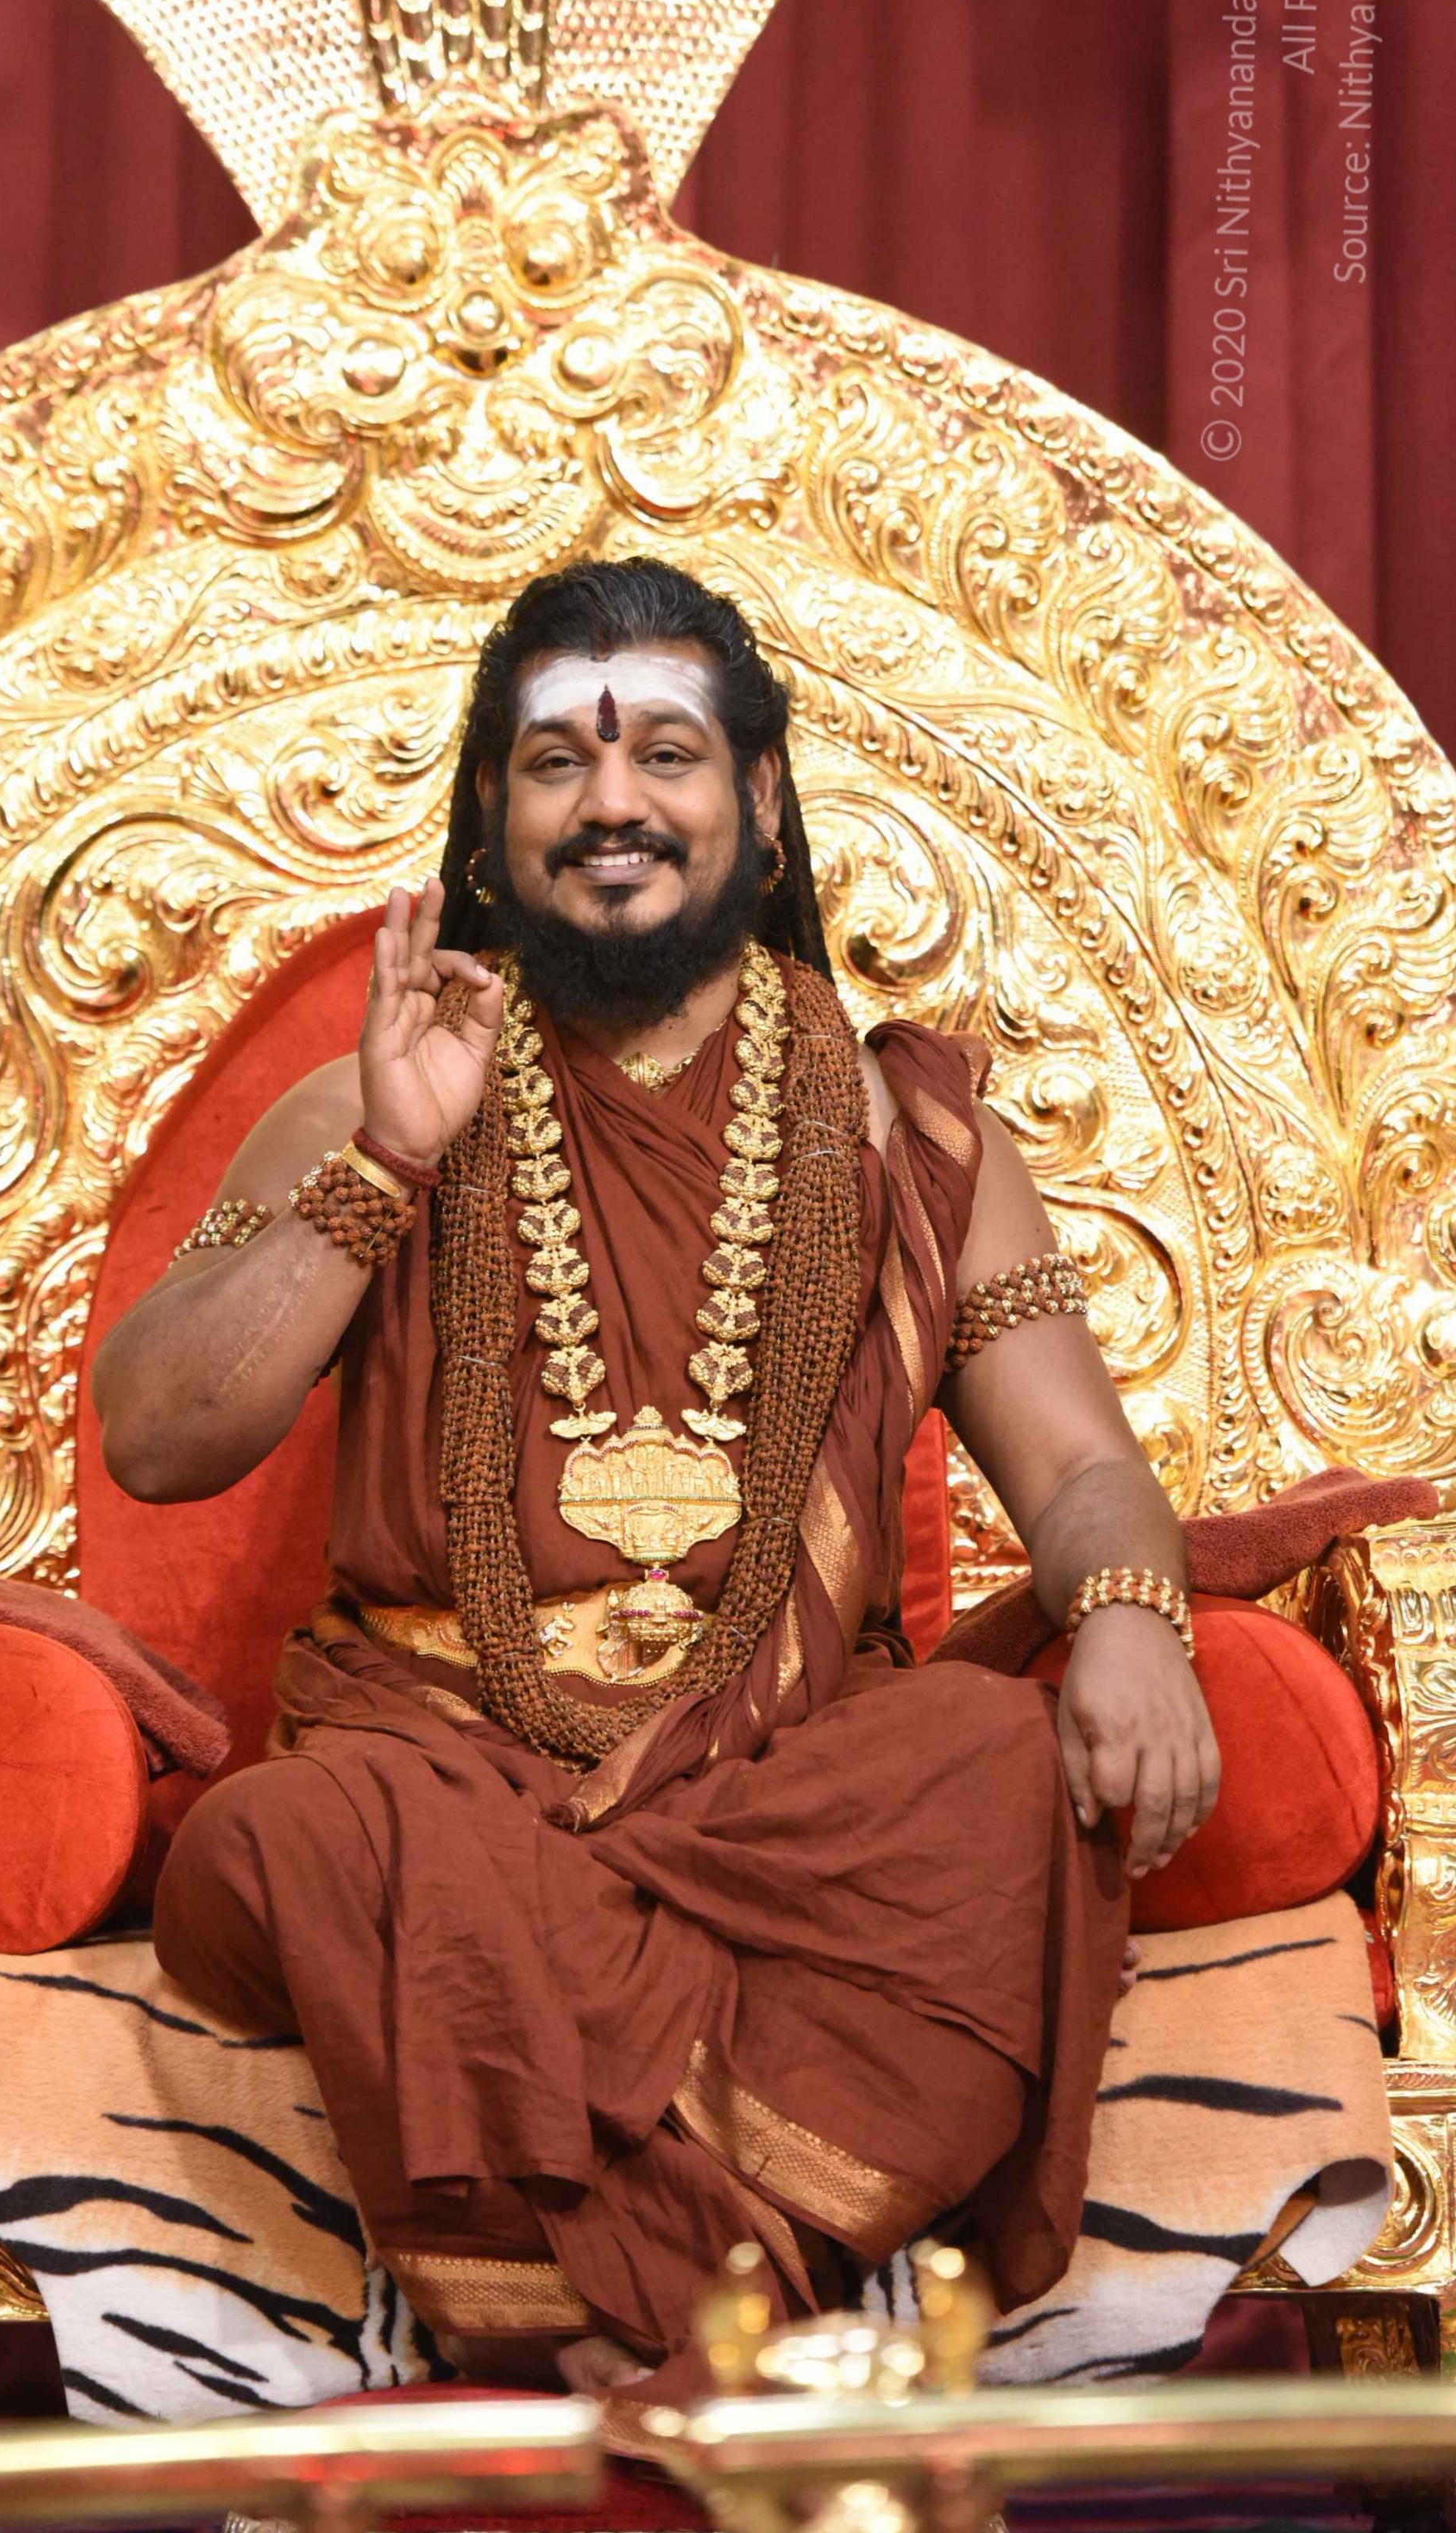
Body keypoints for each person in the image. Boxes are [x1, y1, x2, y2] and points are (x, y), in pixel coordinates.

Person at [94, 556, 1219, 2394]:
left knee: (999, 1766)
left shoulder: (909, 1131)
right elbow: (158, 1439)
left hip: (781, 1791)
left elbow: (1084, 1463)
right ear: (492, 814)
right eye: (556, 762)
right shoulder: (366, 1101)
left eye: (665, 755)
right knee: (290, 1841)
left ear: (758, 802)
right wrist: (385, 1163)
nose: (610, 802)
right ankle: (725, 2344)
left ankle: (609, 2348)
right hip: (445, 1769)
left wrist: (1130, 1616)